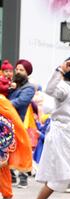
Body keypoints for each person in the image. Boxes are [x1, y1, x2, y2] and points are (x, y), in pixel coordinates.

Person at [27, 55, 70, 199]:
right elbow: (50, 89)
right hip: (62, 136)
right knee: (58, 176)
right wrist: (60, 70)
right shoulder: (63, 87)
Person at [0, 96, 32, 199]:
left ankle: (6, 195)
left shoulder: (2, 102)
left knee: (2, 168)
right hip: (4, 137)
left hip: (2, 139)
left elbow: (9, 124)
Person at [9, 59, 36, 189]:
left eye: (21, 70)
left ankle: (23, 178)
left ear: (27, 73)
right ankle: (11, 177)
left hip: (21, 123)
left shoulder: (29, 88)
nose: (18, 72)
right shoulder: (12, 85)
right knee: (8, 149)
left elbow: (21, 101)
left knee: (22, 150)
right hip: (8, 122)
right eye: (17, 69)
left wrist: (4, 104)